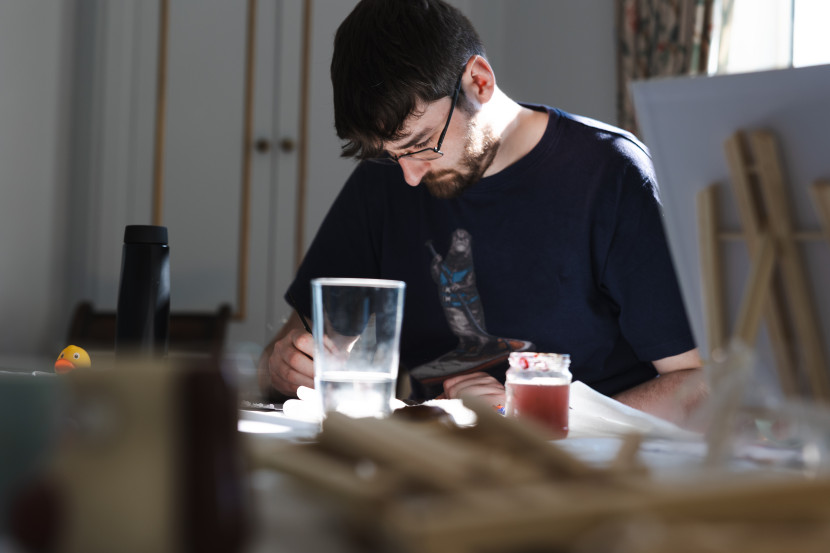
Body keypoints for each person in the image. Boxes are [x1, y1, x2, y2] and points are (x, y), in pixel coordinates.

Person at [258, 0, 706, 426]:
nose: (410, 176)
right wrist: (281, 367)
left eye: (422, 144)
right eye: (393, 155)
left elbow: (698, 386)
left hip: (580, 473)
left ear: (479, 81)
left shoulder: (612, 174)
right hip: (433, 465)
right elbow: (291, 344)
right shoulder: (386, 180)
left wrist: (530, 413)